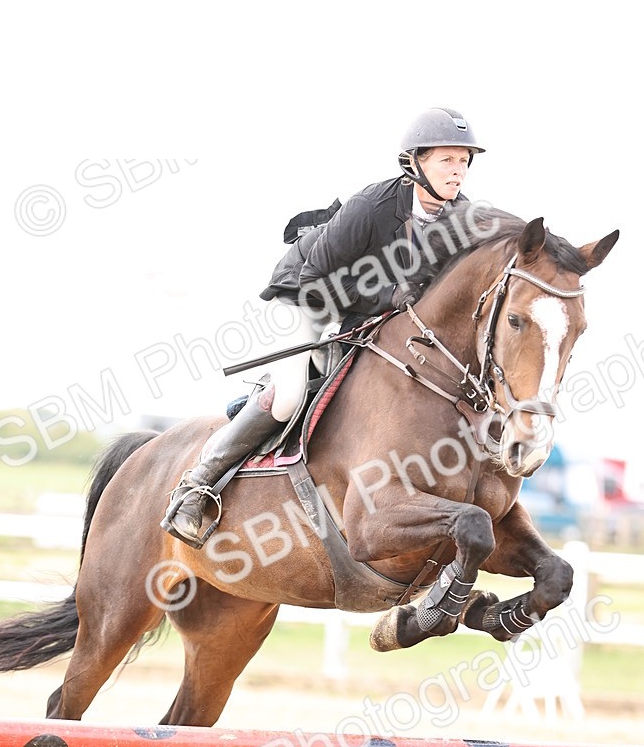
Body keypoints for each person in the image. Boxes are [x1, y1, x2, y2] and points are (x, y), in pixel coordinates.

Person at [160, 106, 486, 546]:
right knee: (291, 395)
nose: (458, 171)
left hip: (366, 310)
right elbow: (316, 282)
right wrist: (388, 296)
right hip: (305, 293)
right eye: (447, 160)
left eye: (464, 161)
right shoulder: (373, 206)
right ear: (415, 162)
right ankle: (196, 488)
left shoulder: (461, 220)